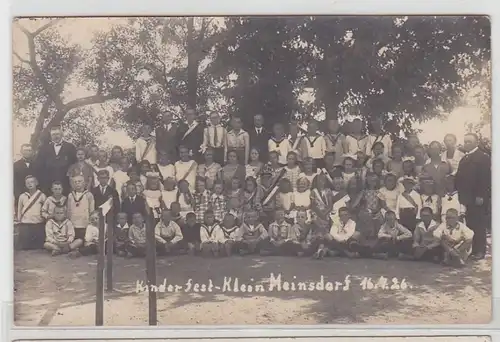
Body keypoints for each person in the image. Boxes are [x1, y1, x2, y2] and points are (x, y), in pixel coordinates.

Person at [455, 132, 491, 260]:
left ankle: (480, 251)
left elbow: (485, 178)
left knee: (479, 224)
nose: (466, 144)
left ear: (476, 143)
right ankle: (473, 250)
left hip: (477, 197)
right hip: (466, 196)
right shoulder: (465, 158)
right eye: (465, 141)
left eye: (469, 141)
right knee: (470, 224)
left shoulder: (483, 157)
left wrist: (481, 195)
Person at [35, 126, 77, 195]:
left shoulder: (70, 147)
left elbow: (74, 165)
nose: (55, 136)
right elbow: (39, 166)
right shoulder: (44, 149)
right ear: (51, 136)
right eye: (53, 135)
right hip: (49, 184)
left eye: (57, 134)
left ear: (61, 134)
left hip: (65, 183)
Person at [17, 175, 47, 250]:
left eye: (32, 182)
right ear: (25, 184)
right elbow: (19, 210)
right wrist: (19, 221)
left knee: (39, 246)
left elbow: (45, 209)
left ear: (36, 183)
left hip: (38, 224)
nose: (30, 184)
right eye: (27, 183)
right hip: (26, 224)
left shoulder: (42, 196)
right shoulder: (22, 196)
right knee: (25, 247)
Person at [67, 175, 95, 242]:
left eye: (79, 181)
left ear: (84, 183)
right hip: (73, 223)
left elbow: (92, 211)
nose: (77, 183)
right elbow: (68, 210)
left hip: (84, 223)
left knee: (82, 241)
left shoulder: (89, 195)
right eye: (75, 182)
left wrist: (90, 222)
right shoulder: (70, 195)